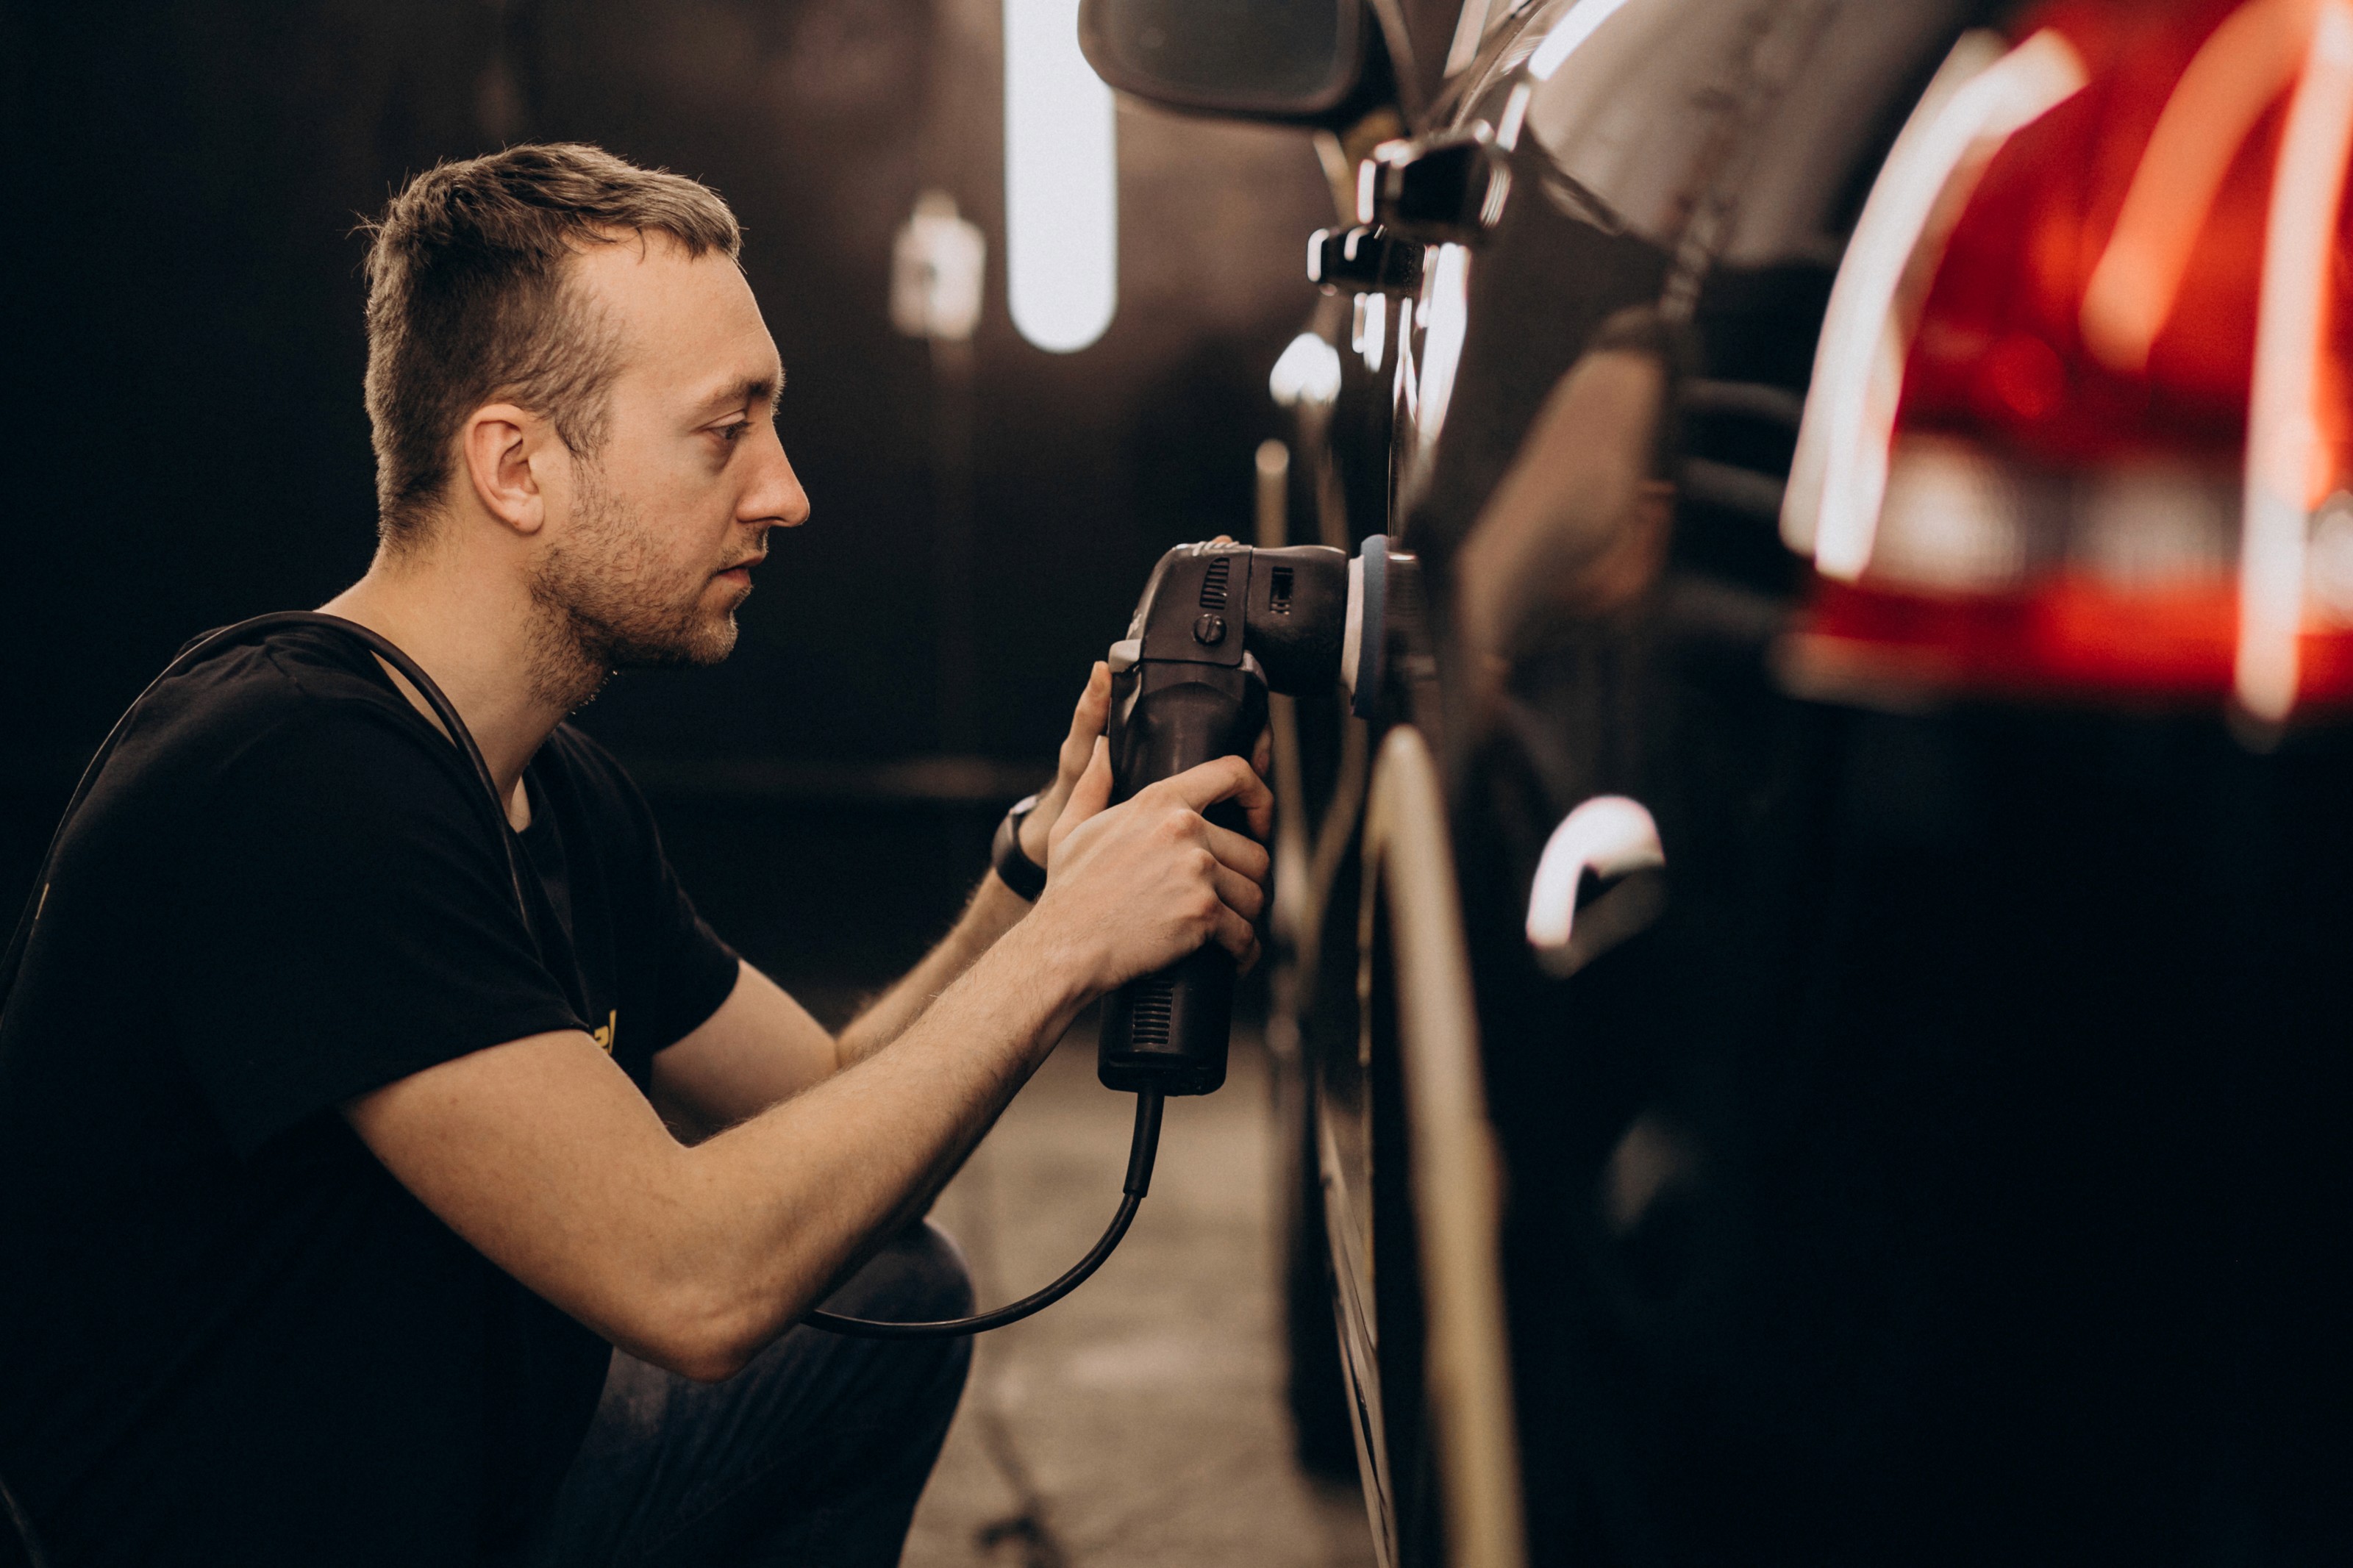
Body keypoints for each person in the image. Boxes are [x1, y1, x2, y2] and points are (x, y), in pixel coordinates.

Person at [0, 143, 1271, 1567]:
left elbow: (838, 1114)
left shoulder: (549, 785)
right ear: (516, 464)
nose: (783, 493)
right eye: (724, 430)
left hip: (473, 1489)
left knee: (888, 1293)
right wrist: (1068, 949)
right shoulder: (296, 778)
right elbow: (692, 1277)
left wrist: (1035, 872)